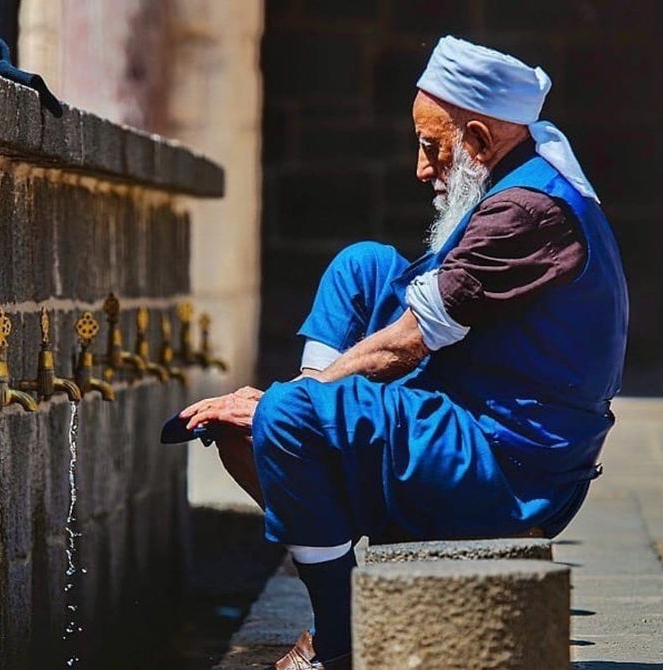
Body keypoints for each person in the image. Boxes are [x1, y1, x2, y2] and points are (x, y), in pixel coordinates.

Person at [178, 36, 629, 670]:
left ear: (476, 138)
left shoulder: (525, 213)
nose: (422, 170)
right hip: (470, 414)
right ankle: (314, 453)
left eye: (431, 147)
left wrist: (292, 406)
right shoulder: (519, 176)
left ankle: (338, 636)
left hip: (510, 467)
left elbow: (408, 341)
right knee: (361, 266)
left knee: (283, 419)